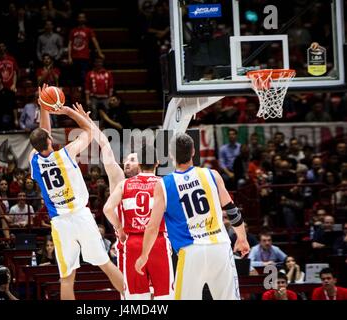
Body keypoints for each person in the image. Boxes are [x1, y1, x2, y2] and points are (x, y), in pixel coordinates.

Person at [29, 90, 123, 300]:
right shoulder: (66, 154)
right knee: (106, 265)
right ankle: (136, 299)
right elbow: (90, 131)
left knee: (67, 278)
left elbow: (43, 132)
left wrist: (44, 107)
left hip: (60, 223)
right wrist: (70, 111)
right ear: (50, 141)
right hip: (81, 215)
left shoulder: (33, 161)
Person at [135, 133, 250, 300]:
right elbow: (232, 210)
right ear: (193, 151)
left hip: (190, 252)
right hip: (219, 246)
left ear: (171, 155)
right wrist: (242, 238)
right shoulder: (212, 175)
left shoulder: (164, 184)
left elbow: (152, 227)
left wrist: (144, 254)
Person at [103, 143, 174, 300]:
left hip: (133, 243)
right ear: (157, 163)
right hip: (158, 241)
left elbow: (107, 209)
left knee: (136, 297)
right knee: (165, 295)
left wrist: (120, 229)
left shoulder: (124, 184)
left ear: (140, 164)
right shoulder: (165, 184)